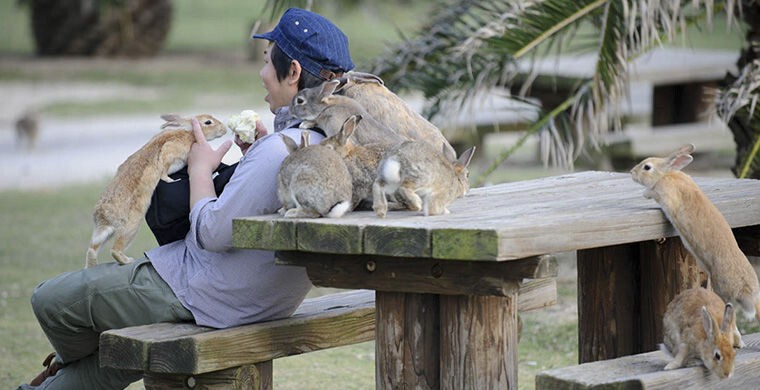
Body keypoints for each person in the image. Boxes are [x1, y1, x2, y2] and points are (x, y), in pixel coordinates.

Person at [19, 8, 354, 389]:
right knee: (111, 361)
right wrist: (251, 159)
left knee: (49, 301)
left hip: (204, 294)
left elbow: (211, 232)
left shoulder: (277, 151)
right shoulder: (322, 143)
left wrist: (199, 168)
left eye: (265, 62)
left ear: (292, 72)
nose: (261, 73)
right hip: (262, 300)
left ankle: (62, 364)